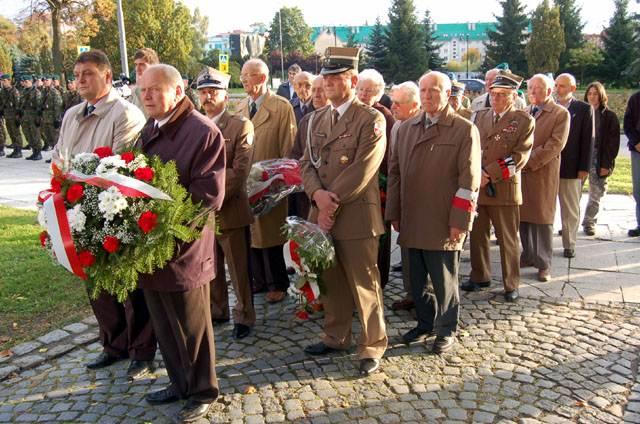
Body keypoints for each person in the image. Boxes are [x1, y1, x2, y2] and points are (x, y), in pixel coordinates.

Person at [53, 50, 155, 379]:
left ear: (107, 77)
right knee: (96, 285)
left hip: (115, 210)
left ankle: (141, 350)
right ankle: (113, 344)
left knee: (129, 285)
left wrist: (83, 189)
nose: (80, 80)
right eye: (77, 74)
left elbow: (121, 164)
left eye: (88, 74)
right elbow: (59, 156)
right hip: (78, 210)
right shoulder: (71, 115)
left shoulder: (125, 114)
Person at [137, 64, 225, 423]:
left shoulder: (202, 131)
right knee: (162, 320)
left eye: (156, 89)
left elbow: (209, 194)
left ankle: (203, 389)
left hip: (183, 247)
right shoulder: (150, 128)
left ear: (178, 91)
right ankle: (178, 382)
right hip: (149, 245)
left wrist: (164, 223)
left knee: (193, 326)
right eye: (143, 89)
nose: (147, 95)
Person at [300, 47, 388, 375]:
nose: (329, 84)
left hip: (354, 217)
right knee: (330, 279)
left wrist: (328, 203)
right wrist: (316, 196)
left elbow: (363, 169)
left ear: (352, 80)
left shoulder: (371, 119)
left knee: (364, 282)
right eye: (327, 79)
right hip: (322, 212)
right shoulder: (316, 119)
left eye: (336, 79)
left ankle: (372, 345)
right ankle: (337, 335)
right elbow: (306, 162)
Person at [387, 71, 480, 353]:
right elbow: (394, 174)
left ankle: (446, 328)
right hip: (412, 218)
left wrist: (460, 221)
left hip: (443, 220)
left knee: (444, 281)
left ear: (448, 93)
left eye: (434, 90)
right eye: (424, 90)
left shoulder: (464, 130)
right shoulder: (405, 128)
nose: (428, 96)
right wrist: (394, 212)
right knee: (414, 281)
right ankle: (424, 323)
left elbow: (469, 181)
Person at [461, 71, 534, 302]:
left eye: (503, 95)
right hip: (479, 188)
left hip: (504, 189)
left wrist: (487, 174)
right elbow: (469, 148)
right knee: (477, 235)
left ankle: (511, 283)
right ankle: (480, 275)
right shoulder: (478, 116)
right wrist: (475, 174)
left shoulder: (523, 121)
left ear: (513, 96)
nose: (497, 98)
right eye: (494, 93)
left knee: (507, 239)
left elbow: (519, 157)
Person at [197, 68, 256, 340]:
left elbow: (239, 170)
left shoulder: (240, 125)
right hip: (202, 212)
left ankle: (244, 315)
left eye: (213, 91)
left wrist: (210, 197)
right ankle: (218, 309)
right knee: (211, 267)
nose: (208, 97)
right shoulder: (195, 126)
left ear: (225, 94)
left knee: (239, 268)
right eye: (203, 92)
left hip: (229, 208)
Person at [237, 59, 296, 303]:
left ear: (261, 78)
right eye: (242, 76)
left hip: (270, 184)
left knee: (269, 234)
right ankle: (258, 280)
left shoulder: (281, 107)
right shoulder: (241, 106)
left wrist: (278, 182)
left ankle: (277, 282)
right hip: (244, 183)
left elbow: (289, 148)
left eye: (247, 76)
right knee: (251, 233)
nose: (242, 80)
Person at [520, 74, 570, 282]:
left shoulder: (560, 114)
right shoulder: (524, 111)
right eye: (530, 88)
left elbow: (555, 145)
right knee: (523, 217)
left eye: (537, 88)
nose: (532, 92)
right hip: (521, 173)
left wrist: (527, 160)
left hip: (542, 172)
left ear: (549, 91)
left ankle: (543, 263)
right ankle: (528, 254)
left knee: (542, 218)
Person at [355, 69, 395, 289]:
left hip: (378, 185)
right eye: (360, 89)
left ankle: (380, 278)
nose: (363, 94)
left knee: (380, 233)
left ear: (378, 94)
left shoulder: (384, 116)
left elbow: (389, 156)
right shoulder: (351, 113)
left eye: (369, 91)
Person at [388, 81, 421, 312]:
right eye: (393, 102)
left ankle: (426, 301)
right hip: (404, 200)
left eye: (399, 103)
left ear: (415, 105)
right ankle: (412, 293)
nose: (393, 107)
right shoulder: (398, 126)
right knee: (408, 252)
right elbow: (394, 169)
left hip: (426, 203)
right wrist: (394, 209)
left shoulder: (421, 125)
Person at [554, 73, 592, 258]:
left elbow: (587, 140)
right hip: (548, 168)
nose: (558, 89)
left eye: (562, 86)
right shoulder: (550, 107)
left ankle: (569, 244)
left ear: (573, 88)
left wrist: (583, 168)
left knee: (570, 209)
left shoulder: (583, 109)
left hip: (571, 168)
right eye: (556, 85)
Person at [289, 75, 330, 220]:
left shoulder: (342, 119)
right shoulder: (306, 120)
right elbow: (296, 155)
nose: (317, 95)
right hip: (307, 194)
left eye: (322, 90)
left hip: (332, 196)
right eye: (314, 90)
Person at [582, 82, 620, 236]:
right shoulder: (582, 113)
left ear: (601, 95)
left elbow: (613, 144)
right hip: (582, 156)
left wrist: (606, 164)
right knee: (573, 192)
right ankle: (570, 222)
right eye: (590, 93)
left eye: (595, 93)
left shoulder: (609, 116)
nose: (592, 96)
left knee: (596, 192)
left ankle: (589, 221)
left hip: (599, 157)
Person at [625, 87, 640, 237]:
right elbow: (628, 124)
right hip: (638, 149)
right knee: (639, 189)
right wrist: (636, 142)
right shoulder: (635, 99)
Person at [129, 47, 160, 118]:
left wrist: (140, 87)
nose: (137, 69)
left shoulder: (161, 88)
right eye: (136, 65)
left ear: (153, 66)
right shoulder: (134, 91)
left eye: (142, 64)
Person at [19, 75, 43, 160]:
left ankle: (38, 152)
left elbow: (39, 107)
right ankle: (34, 151)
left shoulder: (36, 92)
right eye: (24, 82)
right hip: (25, 116)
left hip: (33, 116)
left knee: (35, 134)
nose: (25, 83)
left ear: (31, 82)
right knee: (28, 134)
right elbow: (21, 103)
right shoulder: (23, 91)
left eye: (27, 82)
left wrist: (38, 119)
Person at [40, 74, 64, 151]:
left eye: (47, 80)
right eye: (44, 80)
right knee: (49, 137)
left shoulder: (54, 92)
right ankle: (53, 155)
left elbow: (58, 107)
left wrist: (57, 119)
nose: (45, 82)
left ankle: (58, 156)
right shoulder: (44, 91)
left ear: (51, 81)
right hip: (45, 118)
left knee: (55, 138)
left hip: (53, 119)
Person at [2, 74, 24, 157]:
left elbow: (18, 105)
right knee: (11, 132)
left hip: (14, 115)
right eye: (2, 81)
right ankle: (15, 149)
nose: (3, 83)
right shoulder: (3, 91)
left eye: (5, 81)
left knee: (16, 133)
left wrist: (18, 116)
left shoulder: (14, 91)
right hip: (7, 115)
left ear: (9, 81)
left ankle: (19, 150)